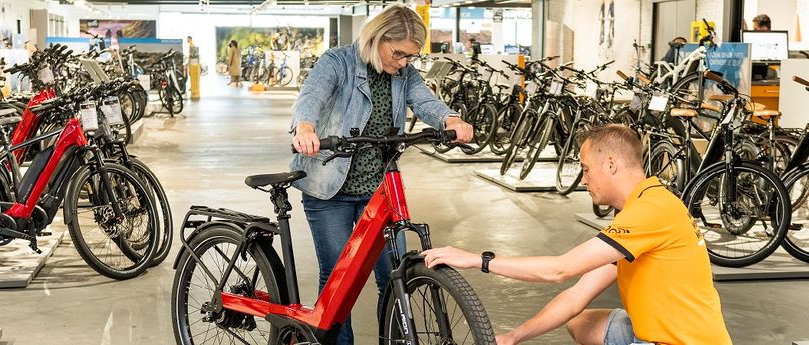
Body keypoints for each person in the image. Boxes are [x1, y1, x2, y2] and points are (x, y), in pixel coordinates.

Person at [422, 124, 732, 345]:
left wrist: (478, 259)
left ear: (610, 164)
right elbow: (576, 296)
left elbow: (560, 270)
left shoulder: (651, 212)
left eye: (585, 169)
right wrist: (514, 337)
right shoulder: (645, 205)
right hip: (656, 332)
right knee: (582, 322)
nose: (583, 179)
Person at [290, 4, 473, 344]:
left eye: (410, 56)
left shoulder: (405, 74)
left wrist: (450, 119)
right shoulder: (337, 62)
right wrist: (305, 128)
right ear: (376, 39)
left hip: (379, 191)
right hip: (330, 188)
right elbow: (311, 97)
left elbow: (425, 101)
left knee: (394, 276)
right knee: (338, 282)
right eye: (398, 53)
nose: (403, 62)